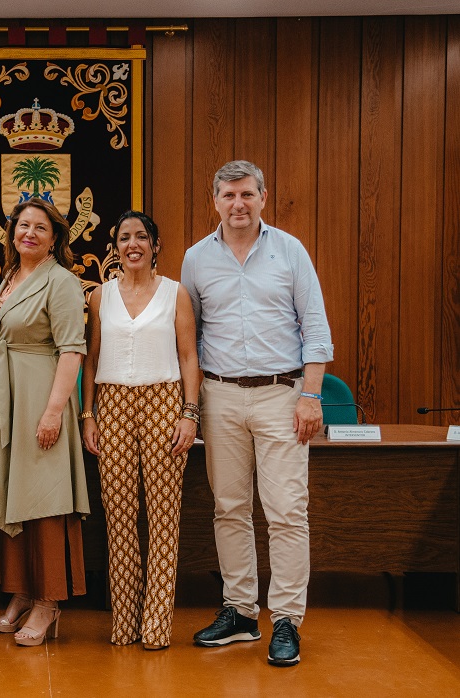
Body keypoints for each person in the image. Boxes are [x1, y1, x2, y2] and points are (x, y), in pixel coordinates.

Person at [181, 160, 333, 667]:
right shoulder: (196, 258)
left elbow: (315, 327)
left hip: (281, 396)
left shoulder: (290, 250)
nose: (238, 204)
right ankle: (240, 611)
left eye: (247, 194)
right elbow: (189, 338)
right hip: (220, 396)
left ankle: (286, 619)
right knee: (229, 507)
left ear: (263, 197)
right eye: (228, 195)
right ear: (215, 201)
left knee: (287, 510)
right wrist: (192, 404)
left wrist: (311, 396)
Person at [0, 198, 89, 647]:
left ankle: (48, 601)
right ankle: (21, 590)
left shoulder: (62, 281)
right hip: (6, 400)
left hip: (40, 398)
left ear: (55, 238)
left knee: (43, 495)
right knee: (12, 490)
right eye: (22, 226)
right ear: (12, 233)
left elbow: (71, 350)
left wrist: (54, 411)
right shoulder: (11, 276)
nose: (29, 233)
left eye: (40, 227)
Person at [81, 211, 201, 649]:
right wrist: (88, 414)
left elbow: (189, 357)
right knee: (118, 516)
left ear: (155, 245)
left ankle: (156, 625)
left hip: (164, 402)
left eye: (141, 237)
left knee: (164, 517)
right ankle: (125, 622)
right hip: (112, 404)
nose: (133, 244)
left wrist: (189, 413)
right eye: (124, 238)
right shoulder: (100, 296)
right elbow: (91, 359)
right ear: (115, 247)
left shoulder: (175, 293)